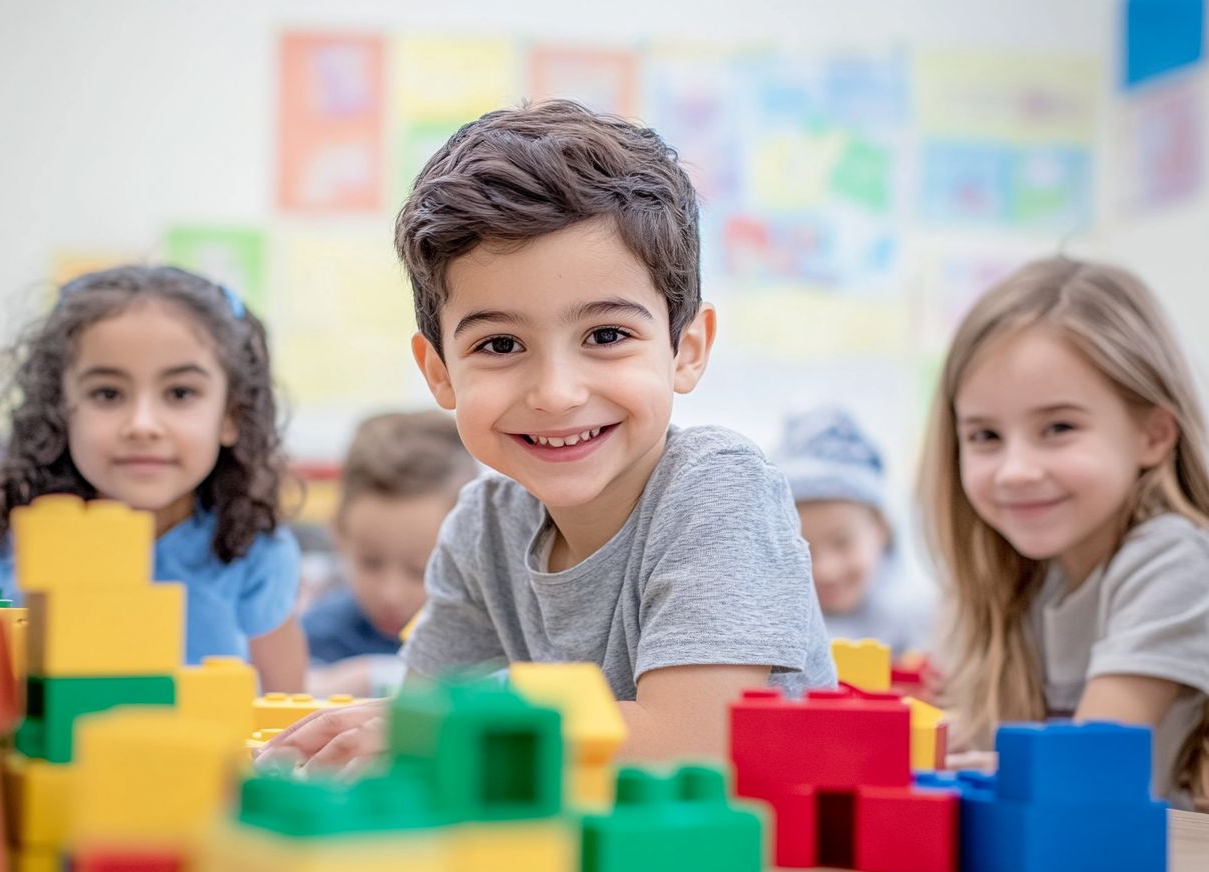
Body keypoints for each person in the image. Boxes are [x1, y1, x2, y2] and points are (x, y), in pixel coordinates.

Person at [258, 99, 835, 776]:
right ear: (440, 373)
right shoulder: (483, 527)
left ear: (687, 349)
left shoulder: (718, 486)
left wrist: (446, 728)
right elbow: (421, 722)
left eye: (607, 336)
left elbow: (694, 742)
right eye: (501, 344)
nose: (556, 392)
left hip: (763, 871)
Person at [919, 255, 1209, 808]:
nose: (1015, 470)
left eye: (1058, 428)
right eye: (984, 436)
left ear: (1153, 434)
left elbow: (1089, 765)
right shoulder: (1029, 579)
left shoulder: (1174, 559)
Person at [0, 265, 306, 692]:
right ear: (60, 411)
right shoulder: (11, 543)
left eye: (180, 393)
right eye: (107, 394)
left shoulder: (255, 552)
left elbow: (290, 715)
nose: (143, 425)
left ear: (231, 415)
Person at [303, 410, 478, 697]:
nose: (390, 594)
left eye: (419, 570)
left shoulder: (489, 635)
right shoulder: (322, 633)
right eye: (370, 563)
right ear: (338, 532)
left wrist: (372, 678)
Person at [774, 406, 932, 652]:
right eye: (802, 550)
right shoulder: (773, 628)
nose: (826, 570)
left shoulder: (922, 620)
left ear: (882, 531)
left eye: (842, 543)